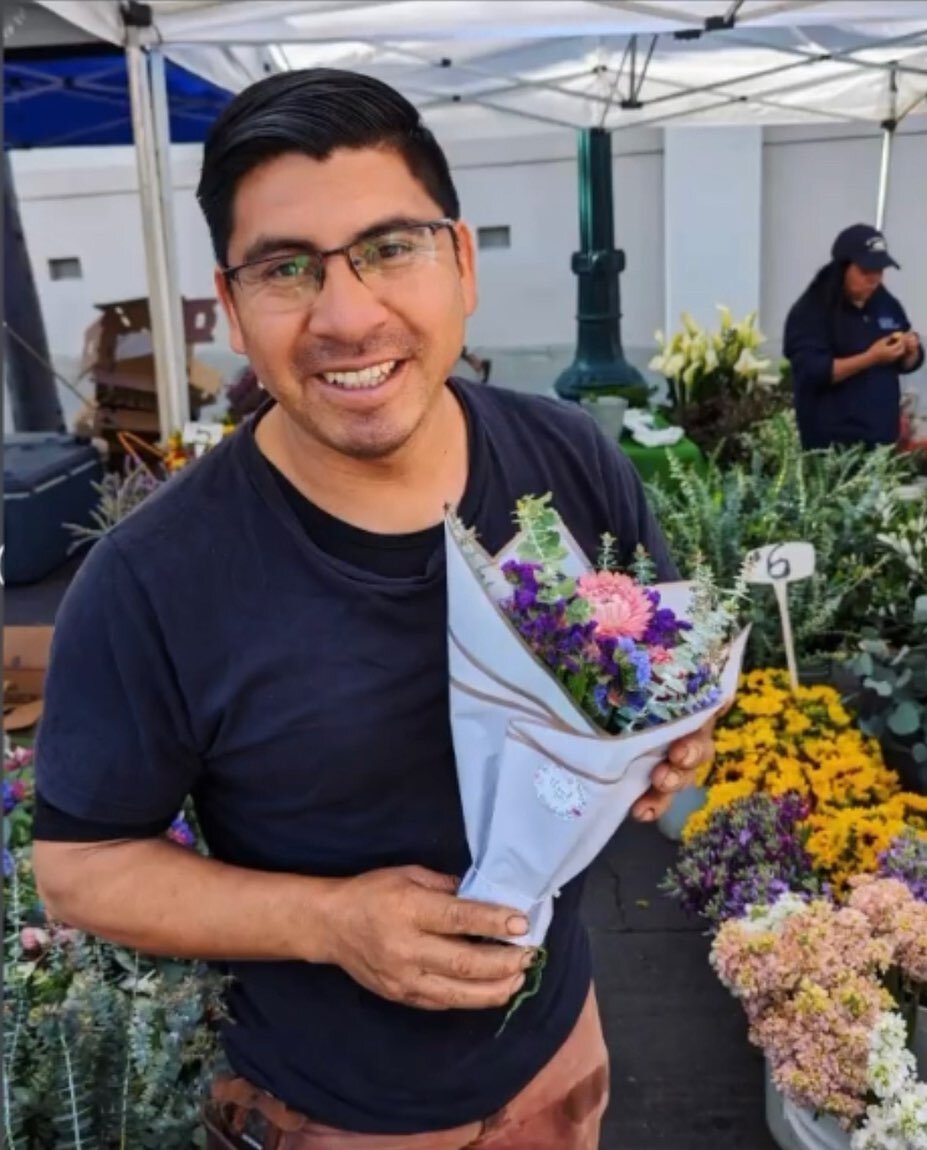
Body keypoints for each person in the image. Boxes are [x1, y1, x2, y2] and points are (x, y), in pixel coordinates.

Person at [32, 69, 716, 1150]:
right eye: (286, 268)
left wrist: (672, 737)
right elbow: (77, 867)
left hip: (559, 1047)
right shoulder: (153, 580)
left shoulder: (572, 458)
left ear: (463, 263)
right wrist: (330, 922)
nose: (348, 316)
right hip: (332, 1114)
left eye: (391, 247)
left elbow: (662, 663)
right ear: (234, 303)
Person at [783, 223, 923, 450]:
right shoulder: (811, 310)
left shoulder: (885, 302)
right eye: (866, 271)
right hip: (832, 447)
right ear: (842, 268)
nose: (874, 279)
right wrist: (871, 357)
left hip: (881, 444)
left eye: (880, 271)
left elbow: (906, 363)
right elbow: (814, 372)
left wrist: (911, 351)